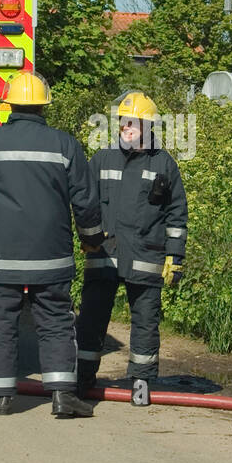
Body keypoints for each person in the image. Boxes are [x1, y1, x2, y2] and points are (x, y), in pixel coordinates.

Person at [0, 70, 103, 418]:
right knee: (57, 320)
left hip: (0, 256)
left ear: (9, 103)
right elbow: (85, 200)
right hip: (51, 256)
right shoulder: (65, 144)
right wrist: (91, 241)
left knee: (0, 321)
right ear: (45, 106)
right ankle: (62, 396)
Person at [75, 91, 188, 399]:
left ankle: (141, 383)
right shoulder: (101, 159)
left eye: (133, 124)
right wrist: (87, 239)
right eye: (123, 123)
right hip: (104, 257)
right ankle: (82, 379)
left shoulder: (164, 164)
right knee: (91, 320)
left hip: (146, 257)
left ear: (148, 128)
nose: (126, 129)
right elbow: (85, 204)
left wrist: (174, 258)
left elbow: (177, 216)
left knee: (146, 323)